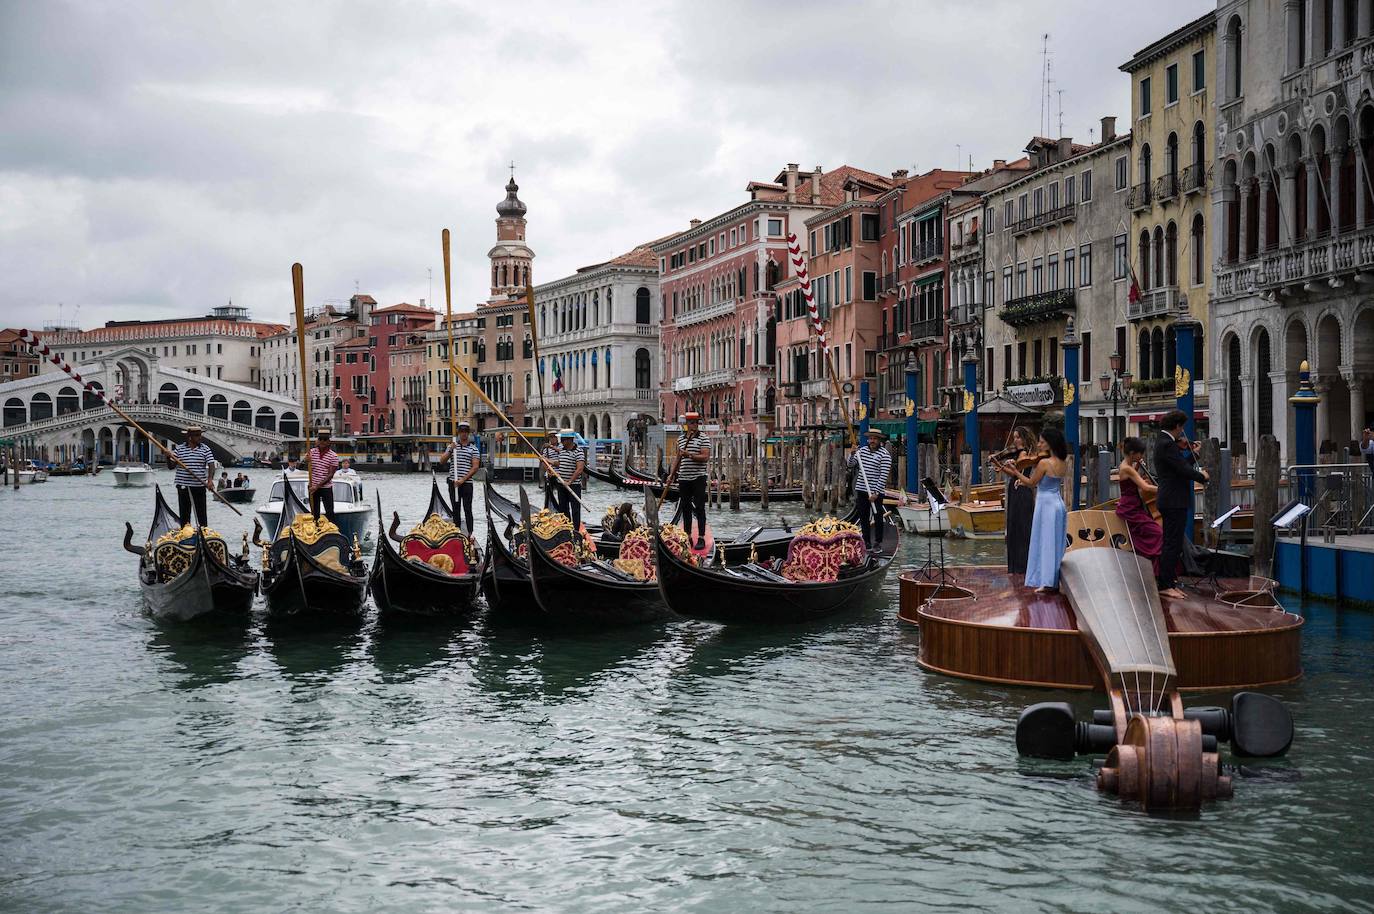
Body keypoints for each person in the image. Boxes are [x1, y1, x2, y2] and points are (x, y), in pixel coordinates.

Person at [998, 427, 1068, 594]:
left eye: (1042, 442)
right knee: (1056, 543)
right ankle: (1054, 581)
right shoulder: (1062, 462)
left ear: (1050, 443)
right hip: (1058, 503)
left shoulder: (1044, 463)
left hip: (1045, 504)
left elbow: (1031, 483)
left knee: (1045, 542)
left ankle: (1046, 582)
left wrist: (1015, 472)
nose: (1038, 444)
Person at [1152, 409, 1208, 598]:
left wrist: (1195, 455)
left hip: (1171, 498)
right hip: (1173, 499)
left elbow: (1179, 466)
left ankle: (1169, 580)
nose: (1182, 432)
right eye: (1182, 427)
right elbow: (1182, 469)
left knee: (1173, 542)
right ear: (1177, 426)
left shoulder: (1165, 442)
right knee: (1172, 543)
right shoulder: (1167, 444)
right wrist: (1202, 477)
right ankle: (1165, 584)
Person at [1116, 437, 1164, 576]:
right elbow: (1145, 487)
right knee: (1157, 533)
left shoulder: (1128, 466)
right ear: (1132, 453)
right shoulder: (1126, 468)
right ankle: (1153, 572)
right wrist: (1165, 490)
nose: (1141, 456)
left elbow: (1132, 480)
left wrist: (1137, 467)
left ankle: (1149, 569)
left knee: (1152, 534)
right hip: (1130, 507)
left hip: (1133, 505)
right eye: (1140, 453)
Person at [668, 412, 711, 550]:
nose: (694, 425)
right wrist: (671, 474)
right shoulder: (680, 440)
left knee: (699, 507)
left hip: (698, 477)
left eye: (696, 422)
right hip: (684, 478)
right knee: (685, 507)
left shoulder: (704, 438)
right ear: (687, 424)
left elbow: (705, 456)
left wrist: (690, 455)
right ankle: (687, 538)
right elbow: (677, 458)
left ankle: (701, 538)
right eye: (691, 422)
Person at [847, 428, 893, 551]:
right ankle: (866, 542)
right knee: (863, 517)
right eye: (870, 438)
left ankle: (878, 542)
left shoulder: (885, 455)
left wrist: (876, 493)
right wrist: (851, 454)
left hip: (875, 492)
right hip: (861, 489)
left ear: (879, 440)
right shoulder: (861, 451)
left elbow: (883, 476)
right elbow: (850, 465)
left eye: (874, 439)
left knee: (878, 517)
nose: (872, 441)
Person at [1002, 426, 1036, 576]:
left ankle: (1021, 565)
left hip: (1022, 490)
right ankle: (1016, 565)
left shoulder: (1026, 454)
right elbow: (1014, 474)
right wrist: (999, 465)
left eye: (1018, 437)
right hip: (1016, 488)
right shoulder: (1021, 454)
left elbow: (1018, 474)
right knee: (1014, 525)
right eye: (1014, 437)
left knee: (1021, 527)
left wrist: (1010, 467)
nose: (1015, 440)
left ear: (1024, 438)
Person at [441, 421, 481, 534]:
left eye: (465, 431)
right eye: (461, 431)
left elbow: (475, 467)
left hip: (467, 483)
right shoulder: (452, 446)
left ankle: (470, 534)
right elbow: (442, 461)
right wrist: (450, 450)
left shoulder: (474, 449)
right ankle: (457, 533)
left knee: (468, 509)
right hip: (453, 483)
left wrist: (462, 480)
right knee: (456, 509)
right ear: (458, 433)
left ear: (468, 433)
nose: (463, 434)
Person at [172, 426, 216, 527]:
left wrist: (210, 480)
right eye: (197, 435)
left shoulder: (205, 449)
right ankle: (186, 534)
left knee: (201, 515)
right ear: (189, 437)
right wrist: (168, 456)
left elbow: (211, 465)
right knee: (185, 515)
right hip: (183, 486)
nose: (200, 437)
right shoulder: (179, 449)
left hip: (199, 486)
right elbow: (171, 466)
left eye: (200, 435)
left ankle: (203, 534)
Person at [306, 428, 341, 522]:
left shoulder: (333, 456)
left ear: (329, 441)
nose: (322, 441)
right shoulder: (311, 452)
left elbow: (330, 475)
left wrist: (317, 486)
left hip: (325, 488)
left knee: (329, 512)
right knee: (314, 513)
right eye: (320, 439)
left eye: (325, 439)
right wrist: (306, 461)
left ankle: (330, 531)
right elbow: (303, 468)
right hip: (312, 486)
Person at [555, 429, 586, 529]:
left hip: (574, 485)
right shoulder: (562, 450)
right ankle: (566, 528)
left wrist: (570, 481)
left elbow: (580, 469)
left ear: (569, 440)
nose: (561, 441)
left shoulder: (579, 451)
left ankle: (576, 530)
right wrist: (547, 461)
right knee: (563, 508)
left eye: (563, 439)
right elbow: (560, 463)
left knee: (575, 509)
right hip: (561, 484)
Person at [541, 432, 562, 509]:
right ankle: (546, 508)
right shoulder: (546, 449)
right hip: (550, 473)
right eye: (551, 437)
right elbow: (543, 460)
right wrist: (548, 470)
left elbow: (562, 452)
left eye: (554, 437)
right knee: (548, 493)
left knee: (561, 494)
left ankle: (561, 508)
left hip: (560, 474)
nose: (552, 438)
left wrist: (551, 447)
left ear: (557, 438)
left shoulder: (561, 446)